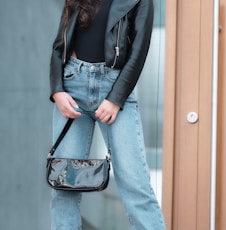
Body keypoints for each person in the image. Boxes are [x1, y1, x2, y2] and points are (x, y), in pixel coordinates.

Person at [49, 0, 166, 229]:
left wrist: (115, 99)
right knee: (64, 186)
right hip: (72, 87)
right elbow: (59, 45)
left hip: (114, 88)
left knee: (136, 186)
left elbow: (138, 51)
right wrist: (57, 90)